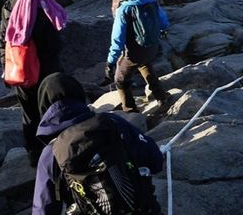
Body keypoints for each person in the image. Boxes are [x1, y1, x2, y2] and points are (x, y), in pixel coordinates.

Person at [32, 72, 164, 215]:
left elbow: (43, 208)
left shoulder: (50, 154)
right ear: (79, 95)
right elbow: (155, 160)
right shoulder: (112, 122)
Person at [1, 0, 69, 165]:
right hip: (46, 71)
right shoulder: (44, 4)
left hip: (20, 69)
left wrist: (6, 67)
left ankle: (34, 156)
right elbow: (52, 43)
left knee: (29, 114)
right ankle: (56, 155)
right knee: (53, 111)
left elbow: (4, 38)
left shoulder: (11, 4)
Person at [105, 0, 171, 112]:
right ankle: (161, 96)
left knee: (120, 79)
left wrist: (110, 61)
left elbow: (117, 39)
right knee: (145, 64)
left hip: (133, 53)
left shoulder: (123, 9)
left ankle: (130, 110)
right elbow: (163, 21)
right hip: (152, 47)